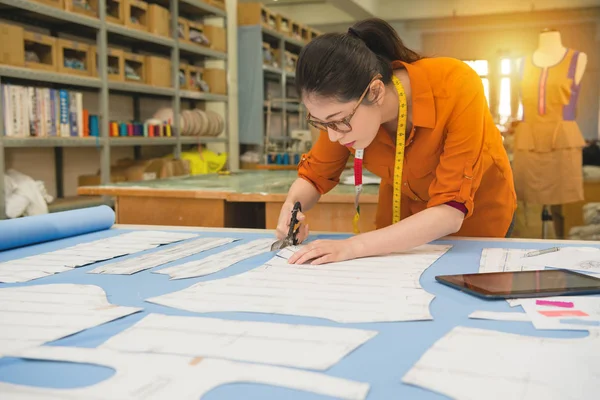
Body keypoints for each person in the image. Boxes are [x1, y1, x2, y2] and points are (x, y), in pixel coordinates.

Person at [277, 18, 516, 265]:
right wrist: (291, 207)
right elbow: (314, 176)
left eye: (337, 121)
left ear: (376, 92)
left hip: (474, 226)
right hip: (401, 225)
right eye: (321, 123)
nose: (334, 136)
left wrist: (350, 247)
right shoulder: (342, 111)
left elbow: (450, 212)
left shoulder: (457, 86)